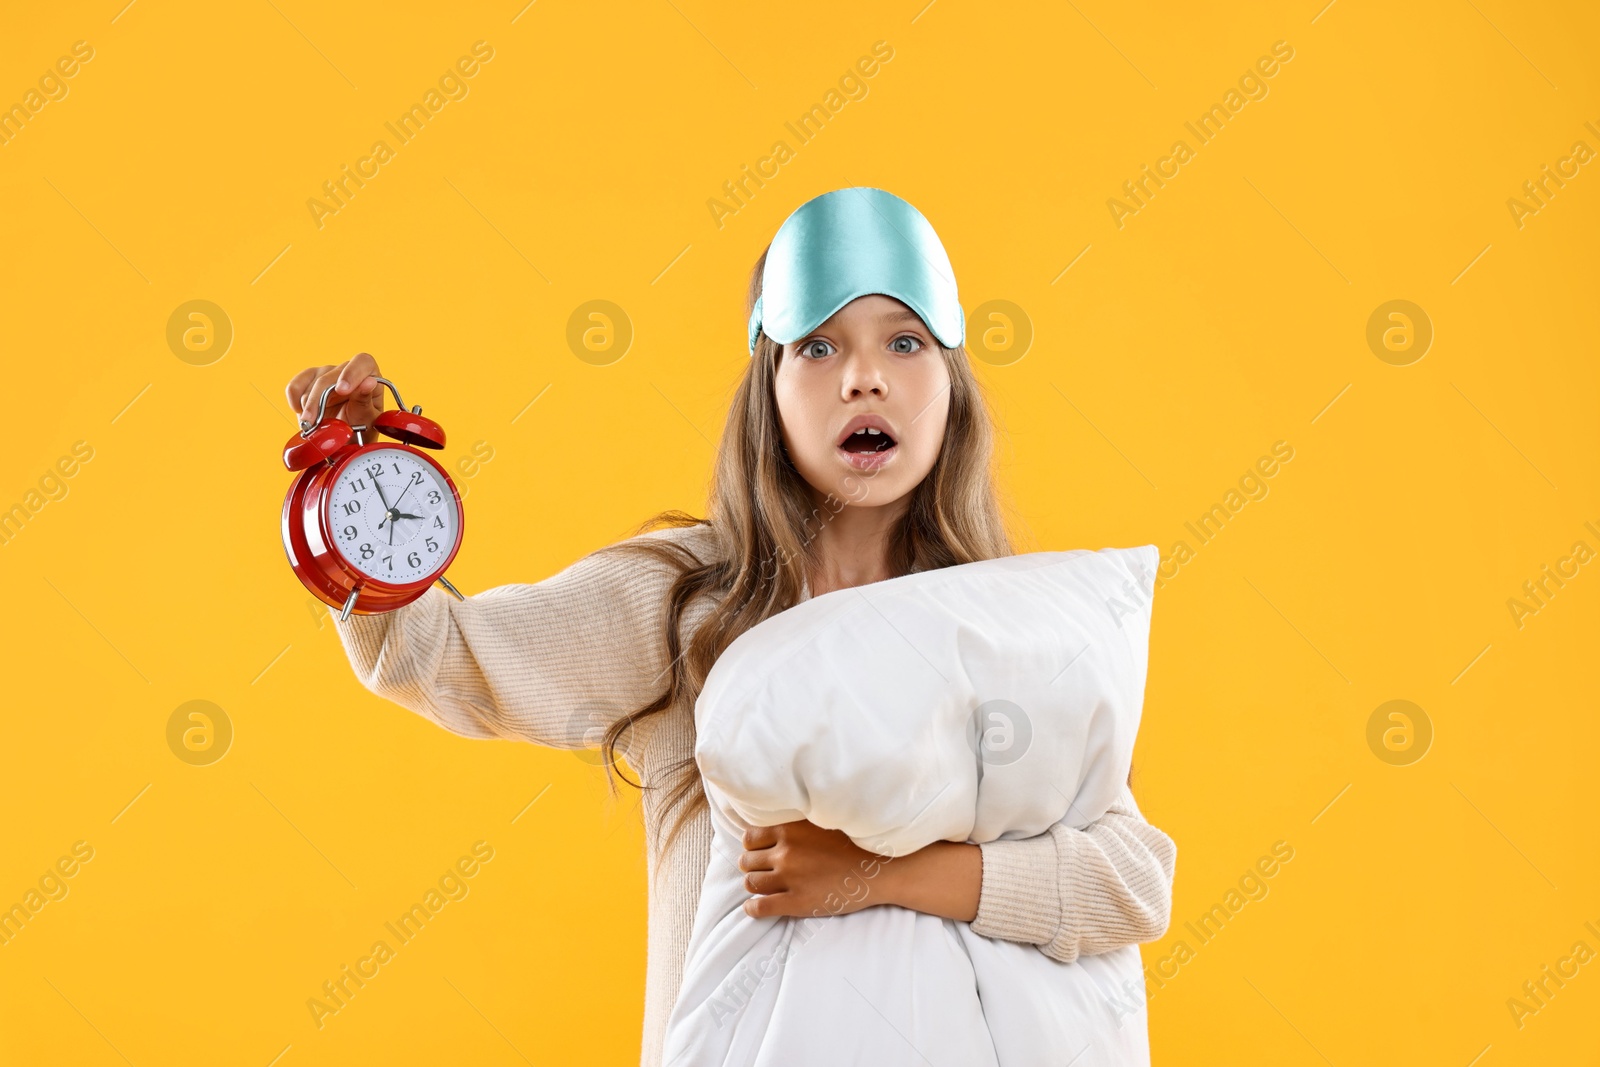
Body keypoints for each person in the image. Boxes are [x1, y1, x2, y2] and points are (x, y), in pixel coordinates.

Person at [285, 187, 1177, 1067]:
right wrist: (357, 498)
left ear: (951, 381)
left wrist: (881, 875)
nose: (863, 376)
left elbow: (1130, 879)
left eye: (904, 342)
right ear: (769, 386)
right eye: (818, 346)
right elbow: (442, 657)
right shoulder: (688, 606)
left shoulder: (998, 629)